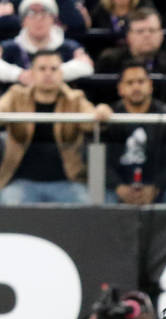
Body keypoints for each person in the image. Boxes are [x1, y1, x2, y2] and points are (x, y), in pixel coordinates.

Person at [0, 49, 111, 205]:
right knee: (7, 206)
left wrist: (102, 112)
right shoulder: (15, 95)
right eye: (42, 69)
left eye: (54, 69)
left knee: (89, 207)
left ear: (61, 73)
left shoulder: (75, 99)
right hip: (21, 182)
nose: (48, 73)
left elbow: (92, 121)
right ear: (32, 73)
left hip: (68, 182)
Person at [104, 61, 166, 205]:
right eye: (130, 83)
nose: (136, 87)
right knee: (102, 198)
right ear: (120, 89)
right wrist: (118, 187)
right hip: (118, 186)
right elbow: (97, 159)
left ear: (150, 86)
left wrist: (157, 187)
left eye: (141, 81)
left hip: (158, 186)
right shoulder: (109, 117)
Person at [0, 0, 93, 85]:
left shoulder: (69, 47)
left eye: (44, 13)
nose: (38, 19)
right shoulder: (9, 47)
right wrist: (19, 75)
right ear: (23, 21)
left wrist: (48, 75)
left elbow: (87, 65)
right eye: (32, 14)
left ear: (54, 19)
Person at [96, 8, 166, 75]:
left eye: (152, 30)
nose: (147, 35)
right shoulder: (110, 62)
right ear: (128, 36)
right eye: (140, 31)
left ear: (161, 35)